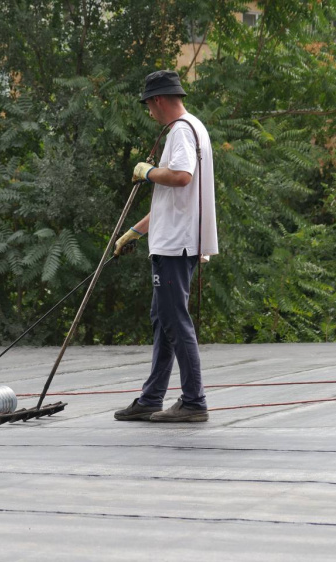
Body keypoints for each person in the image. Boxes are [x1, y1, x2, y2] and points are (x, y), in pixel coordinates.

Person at [113, 70, 218, 423]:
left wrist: (148, 172)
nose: (149, 112)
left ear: (158, 100)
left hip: (176, 246)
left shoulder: (181, 132)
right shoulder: (195, 128)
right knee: (163, 319)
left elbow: (181, 177)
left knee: (175, 320)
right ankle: (152, 397)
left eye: (148, 105)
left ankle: (194, 401)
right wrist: (135, 232)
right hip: (173, 240)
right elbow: (173, 203)